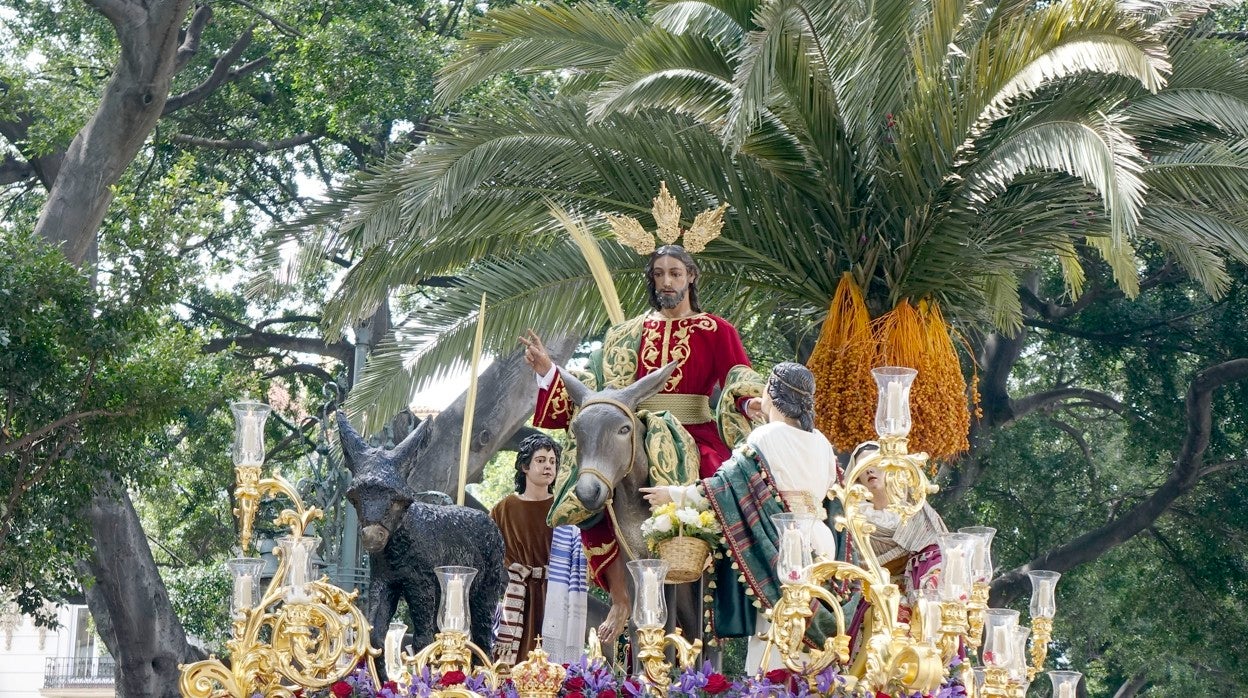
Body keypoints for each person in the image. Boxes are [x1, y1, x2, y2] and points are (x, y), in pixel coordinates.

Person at [519, 244, 764, 642]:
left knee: (723, 494)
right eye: (659, 274)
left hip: (695, 435)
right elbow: (596, 395)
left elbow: (738, 377)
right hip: (633, 436)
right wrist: (549, 372)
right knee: (588, 490)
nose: (666, 281)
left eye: (675, 273)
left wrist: (749, 402)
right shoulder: (625, 335)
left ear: (691, 277)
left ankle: (711, 605)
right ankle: (621, 596)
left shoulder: (716, 330)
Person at [640, 362, 841, 673]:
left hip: (783, 540)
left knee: (777, 628)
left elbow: (725, 485)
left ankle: (777, 687)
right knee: (810, 621)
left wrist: (675, 494)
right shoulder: (822, 441)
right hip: (822, 541)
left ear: (772, 395)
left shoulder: (765, 435)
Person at [843, 443, 948, 673]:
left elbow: (937, 553)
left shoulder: (917, 512)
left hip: (915, 593)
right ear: (856, 477)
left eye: (875, 462)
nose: (870, 470)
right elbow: (847, 565)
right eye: (863, 466)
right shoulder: (852, 519)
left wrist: (926, 586)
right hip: (872, 596)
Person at [490, 433, 566, 666]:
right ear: (525, 466)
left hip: (556, 592)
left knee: (555, 662)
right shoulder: (504, 509)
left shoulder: (563, 508)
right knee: (517, 661)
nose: (548, 466)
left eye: (552, 461)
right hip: (518, 593)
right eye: (541, 460)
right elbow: (489, 552)